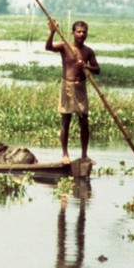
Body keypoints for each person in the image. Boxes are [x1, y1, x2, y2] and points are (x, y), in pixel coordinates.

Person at [46, 19, 99, 164]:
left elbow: (97, 70)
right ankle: (65, 155)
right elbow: (48, 47)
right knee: (66, 120)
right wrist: (52, 32)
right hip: (67, 86)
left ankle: (84, 155)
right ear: (73, 33)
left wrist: (87, 67)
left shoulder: (88, 52)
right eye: (78, 32)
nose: (81, 34)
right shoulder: (65, 46)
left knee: (84, 121)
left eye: (84, 32)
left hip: (81, 87)